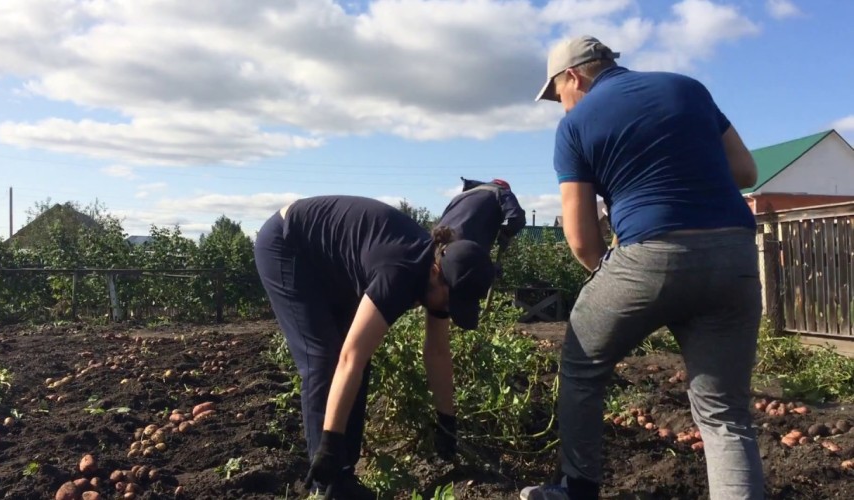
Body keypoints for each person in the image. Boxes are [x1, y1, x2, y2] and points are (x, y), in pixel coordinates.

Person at [521, 35, 764, 500]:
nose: (560, 105)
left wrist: (615, 277)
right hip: (734, 256)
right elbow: (746, 172)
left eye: (556, 95)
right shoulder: (688, 88)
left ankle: (577, 489)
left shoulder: (575, 126)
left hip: (648, 255)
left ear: (574, 76)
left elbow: (580, 238)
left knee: (581, 363)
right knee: (724, 413)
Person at [254, 195, 496, 499]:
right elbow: (348, 358)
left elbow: (437, 353)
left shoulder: (440, 272)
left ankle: (344, 475)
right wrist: (329, 443)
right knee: (324, 358)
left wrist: (446, 420)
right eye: (450, 301)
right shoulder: (399, 272)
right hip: (288, 244)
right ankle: (325, 484)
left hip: (333, 262)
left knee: (358, 359)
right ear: (436, 273)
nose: (448, 309)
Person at [438, 177, 527, 254]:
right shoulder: (501, 191)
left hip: (437, 247)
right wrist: (506, 233)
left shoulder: (459, 197)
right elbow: (517, 218)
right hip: (466, 248)